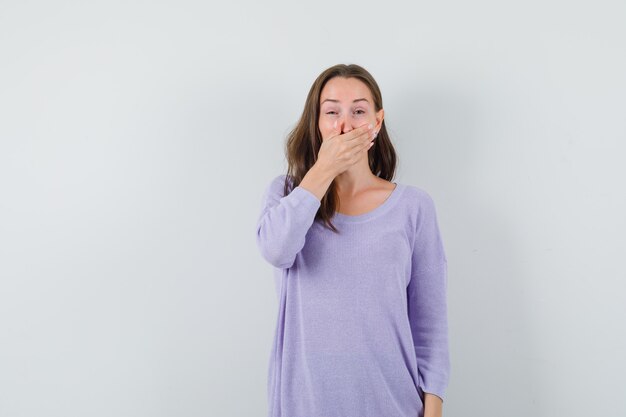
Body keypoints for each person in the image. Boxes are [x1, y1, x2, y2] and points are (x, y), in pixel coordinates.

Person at [255, 63, 450, 417]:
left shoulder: (414, 207)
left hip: (393, 405)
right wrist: (324, 169)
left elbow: (430, 323)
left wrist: (433, 410)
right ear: (316, 122)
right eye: (331, 112)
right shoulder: (287, 195)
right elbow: (275, 249)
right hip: (303, 406)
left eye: (359, 111)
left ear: (377, 121)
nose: (344, 124)